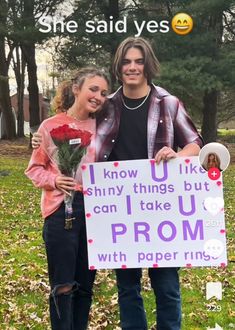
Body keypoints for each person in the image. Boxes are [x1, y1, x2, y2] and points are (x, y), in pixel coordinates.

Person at [33, 37, 203, 330]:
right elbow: (72, 123)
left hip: (161, 208)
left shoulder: (169, 103)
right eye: (126, 62)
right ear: (119, 66)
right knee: (127, 288)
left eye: (138, 61)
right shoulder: (106, 106)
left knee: (167, 286)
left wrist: (177, 154)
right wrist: (38, 138)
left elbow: (196, 144)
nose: (132, 67)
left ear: (148, 64)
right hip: (119, 211)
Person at [25, 67, 109, 330]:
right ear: (76, 89)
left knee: (85, 285)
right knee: (62, 286)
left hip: (95, 212)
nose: (98, 96)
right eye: (93, 89)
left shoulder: (105, 127)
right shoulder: (50, 126)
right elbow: (34, 168)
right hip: (61, 210)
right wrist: (54, 180)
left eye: (104, 93)